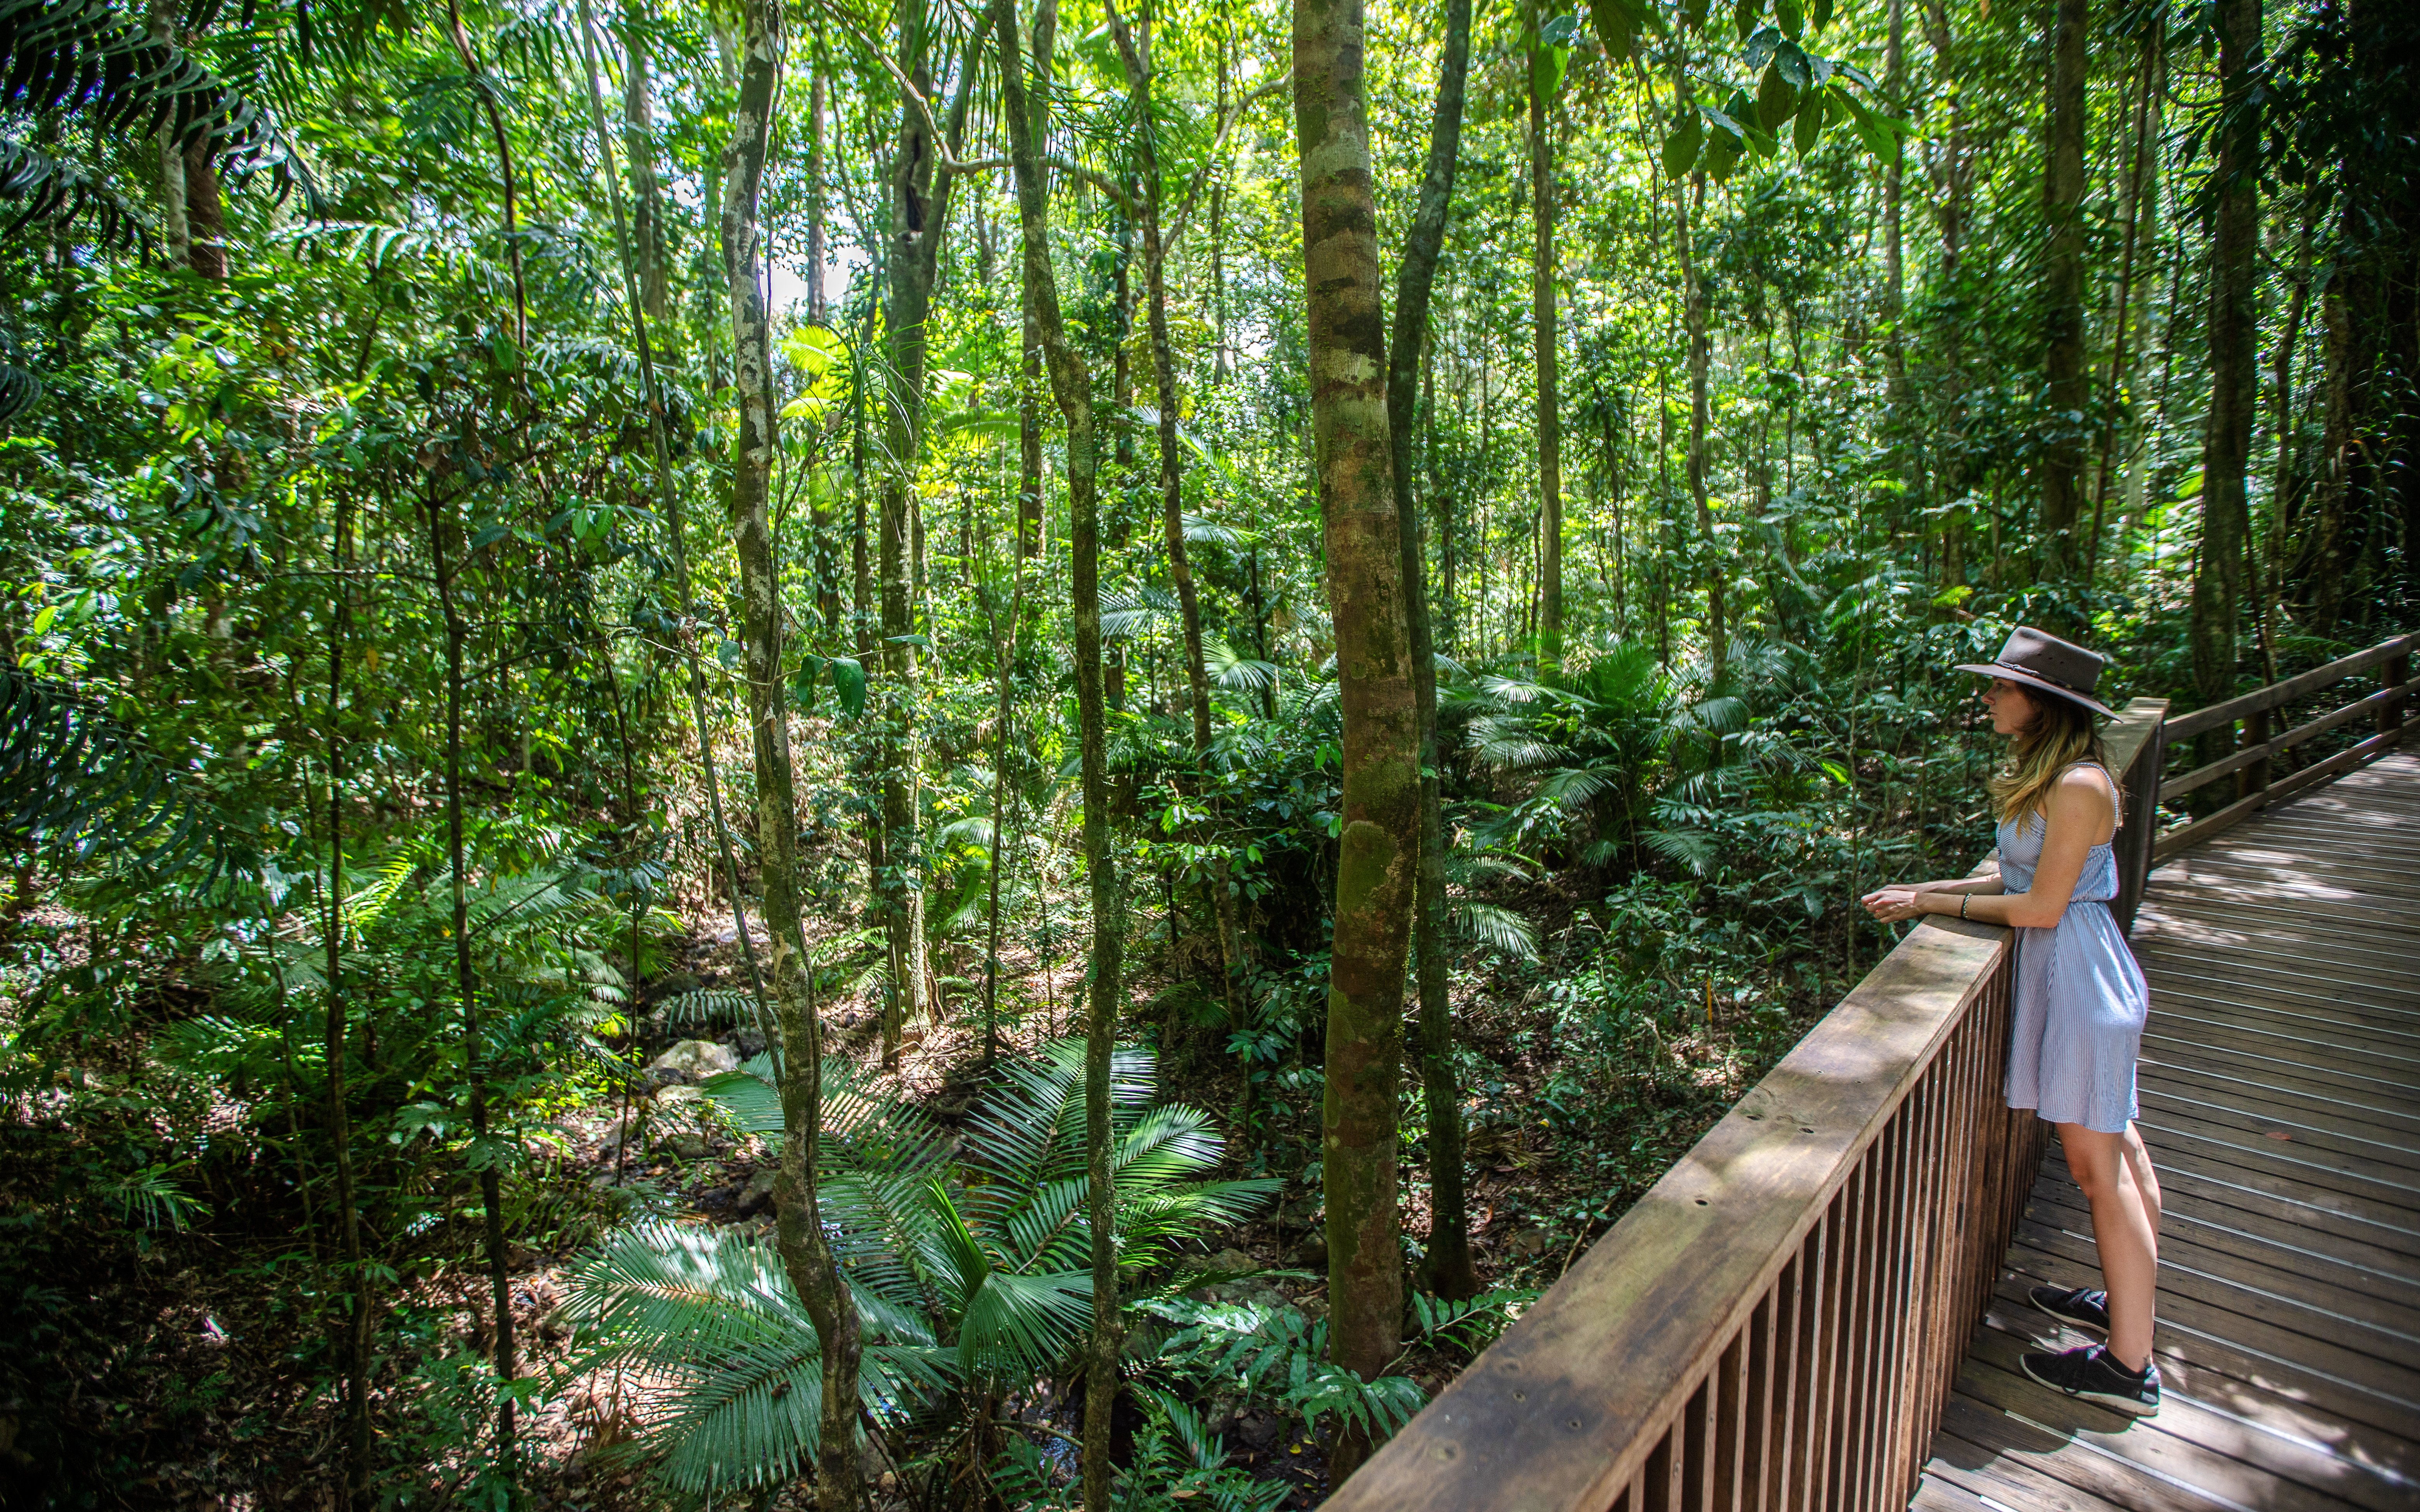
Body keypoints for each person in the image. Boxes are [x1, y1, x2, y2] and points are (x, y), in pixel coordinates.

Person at [1861, 626, 2162, 1418]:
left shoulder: (2079, 785)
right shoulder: (2058, 776)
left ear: (2044, 702)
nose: (1989, 697)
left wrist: (1931, 902)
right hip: (2079, 973)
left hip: (2081, 982)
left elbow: (2039, 906)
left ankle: (2131, 1368)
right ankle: (2129, 1309)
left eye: (2002, 687)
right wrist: (1922, 886)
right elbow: (2017, 872)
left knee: (2101, 1171)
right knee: (2120, 1149)